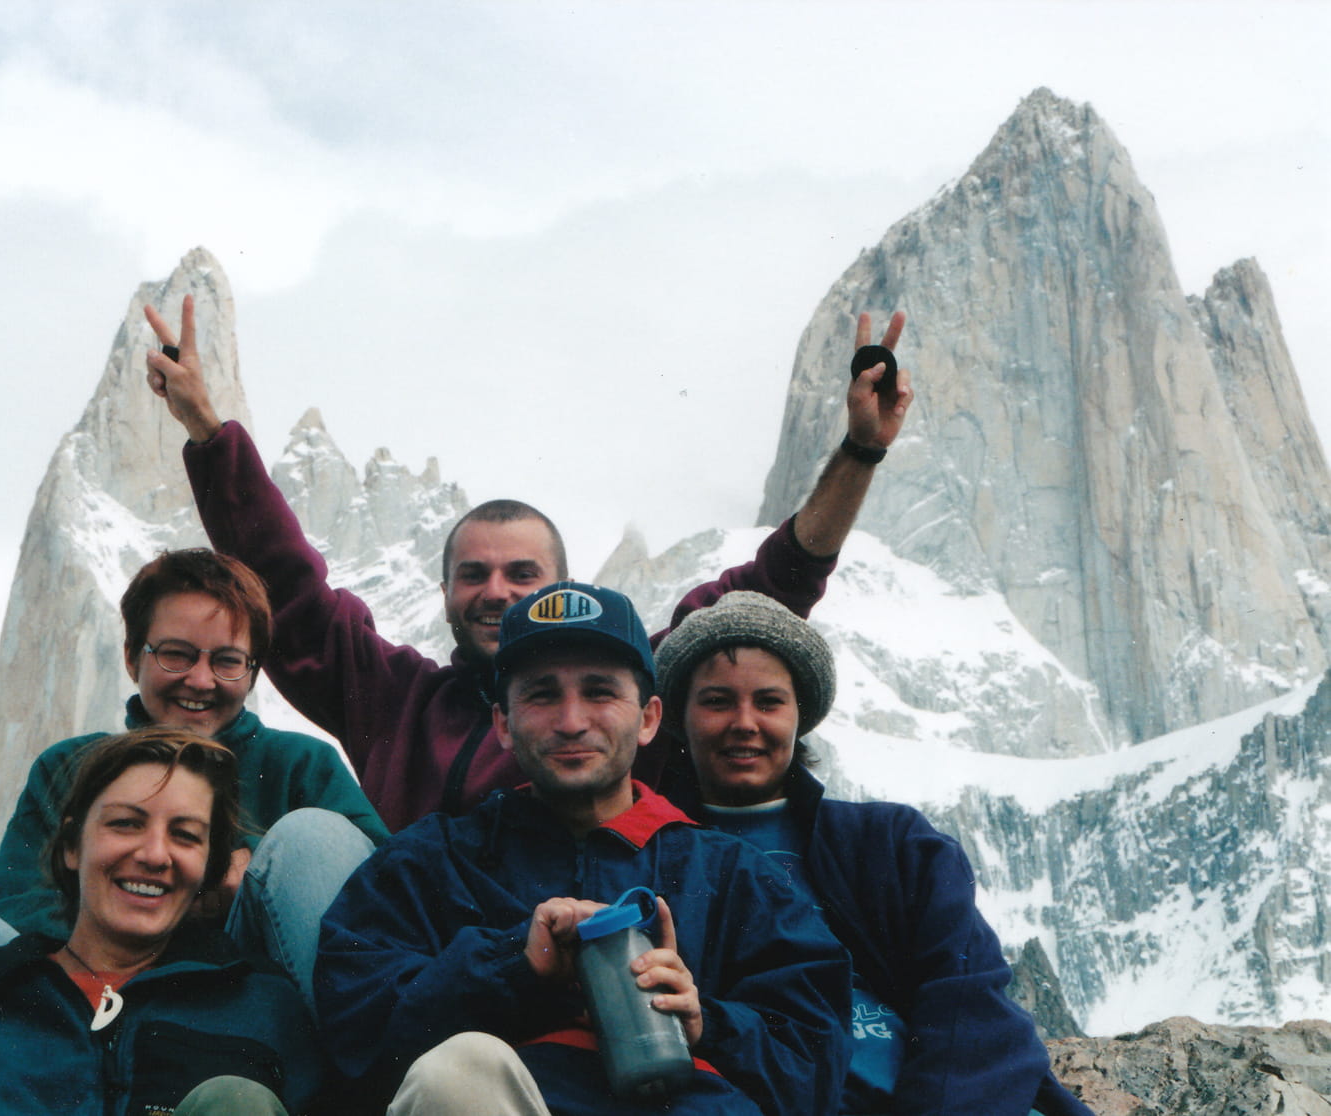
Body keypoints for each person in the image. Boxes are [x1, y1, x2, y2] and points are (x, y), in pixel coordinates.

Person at [144, 297, 913, 832]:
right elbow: (289, 592)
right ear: (444, 592)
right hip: (418, 972)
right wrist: (210, 435)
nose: (496, 593)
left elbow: (773, 585)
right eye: (473, 575)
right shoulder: (397, 703)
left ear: (564, 590)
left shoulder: (632, 687)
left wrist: (861, 451)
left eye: (522, 576)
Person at [0, 550, 385, 1116]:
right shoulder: (70, 765)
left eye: (226, 661)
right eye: (176, 654)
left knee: (317, 837)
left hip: (239, 994)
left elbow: (382, 888)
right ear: (131, 656)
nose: (200, 680)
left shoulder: (300, 764)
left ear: (252, 673)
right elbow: (16, 908)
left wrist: (254, 871)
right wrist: (139, 910)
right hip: (69, 993)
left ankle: (369, 1089)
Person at [314, 580, 854, 1116]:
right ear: (503, 723)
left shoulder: (732, 873)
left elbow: (817, 1060)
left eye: (600, 691)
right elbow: (354, 1030)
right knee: (455, 1073)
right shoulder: (432, 861)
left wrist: (703, 1021)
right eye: (542, 694)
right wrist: (514, 967)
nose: (572, 722)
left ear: (648, 719)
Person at [652, 591, 1094, 1115]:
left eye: (769, 701)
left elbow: (967, 1001)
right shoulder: (655, 859)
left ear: (800, 716)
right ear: (680, 716)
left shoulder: (893, 843)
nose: (744, 722)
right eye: (717, 701)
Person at [0, 726, 324, 1116]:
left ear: (208, 867)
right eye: (125, 823)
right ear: (71, 846)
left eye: (185, 835)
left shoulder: (265, 1007)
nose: (153, 854)